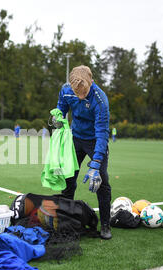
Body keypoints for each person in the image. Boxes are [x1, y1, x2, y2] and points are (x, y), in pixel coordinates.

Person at [52, 65, 112, 240]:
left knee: (102, 180)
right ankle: (65, 219)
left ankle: (106, 224)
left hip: (95, 140)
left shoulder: (101, 100)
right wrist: (58, 118)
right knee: (68, 177)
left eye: (84, 93)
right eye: (76, 93)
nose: (80, 97)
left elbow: (102, 133)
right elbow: (61, 108)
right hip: (75, 138)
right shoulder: (65, 90)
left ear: (91, 81)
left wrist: (95, 164)